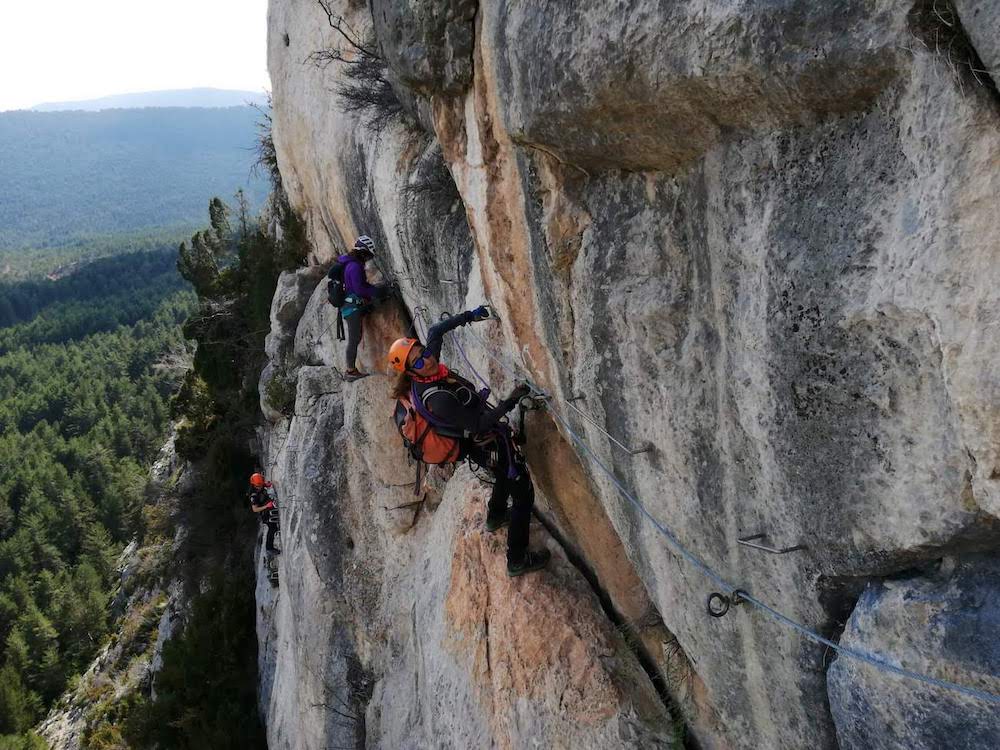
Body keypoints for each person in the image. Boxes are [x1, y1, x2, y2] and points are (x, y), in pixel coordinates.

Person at [387, 308, 551, 577]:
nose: (426, 360)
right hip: (482, 442)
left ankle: (496, 516)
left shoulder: (427, 371)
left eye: (424, 353)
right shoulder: (435, 398)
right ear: (409, 372)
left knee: (502, 476)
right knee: (523, 495)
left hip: (478, 442)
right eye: (417, 362)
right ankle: (517, 559)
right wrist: (511, 400)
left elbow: (435, 332)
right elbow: (479, 425)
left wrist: (470, 316)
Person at [337, 235, 391, 382]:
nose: (368, 259)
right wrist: (378, 291)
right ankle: (350, 370)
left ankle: (350, 370)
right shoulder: (354, 266)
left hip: (351, 306)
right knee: (354, 339)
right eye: (368, 255)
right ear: (363, 252)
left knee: (355, 338)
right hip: (352, 308)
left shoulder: (350, 264)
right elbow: (360, 289)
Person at [249, 472, 280, 555]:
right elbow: (255, 509)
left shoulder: (260, 485)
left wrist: (268, 484)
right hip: (265, 513)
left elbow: (264, 485)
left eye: (260, 485)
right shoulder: (254, 496)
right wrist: (266, 506)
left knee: (274, 527)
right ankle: (269, 548)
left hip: (269, 507)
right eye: (258, 486)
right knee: (272, 528)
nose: (260, 487)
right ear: (254, 485)